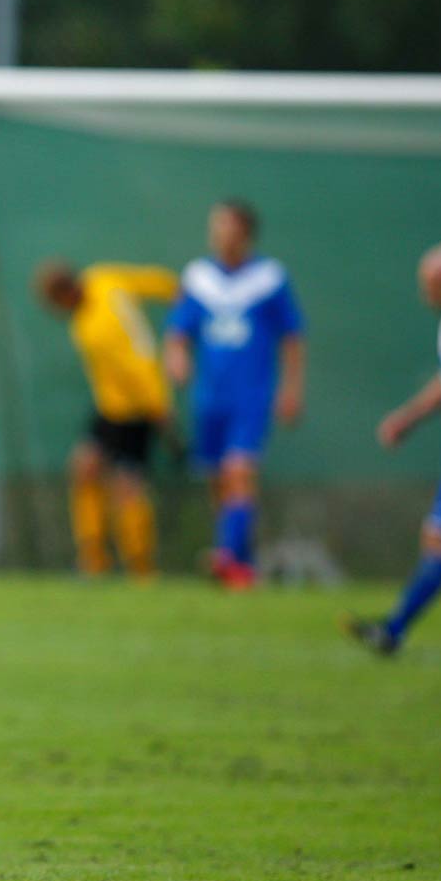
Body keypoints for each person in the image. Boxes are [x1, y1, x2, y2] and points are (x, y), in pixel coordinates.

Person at [344, 242, 441, 655]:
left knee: (439, 533)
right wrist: (407, 419)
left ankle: (393, 631)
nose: (425, 293)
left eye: (432, 284)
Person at [163, 199, 305, 590]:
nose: (217, 233)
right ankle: (241, 566)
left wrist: (291, 389)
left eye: (225, 225)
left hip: (252, 394)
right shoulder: (199, 277)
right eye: (214, 225)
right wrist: (176, 359)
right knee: (218, 483)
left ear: (244, 232)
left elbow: (292, 338)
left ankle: (227, 556)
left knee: (238, 472)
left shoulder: (269, 278)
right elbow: (178, 331)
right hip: (210, 397)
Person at [34, 259, 179, 577]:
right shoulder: (103, 279)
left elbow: (135, 363)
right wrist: (174, 290)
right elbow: (149, 281)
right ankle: (93, 559)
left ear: (64, 294)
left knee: (127, 485)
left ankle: (140, 567)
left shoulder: (94, 327)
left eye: (53, 303)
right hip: (110, 406)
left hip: (134, 408)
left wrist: (160, 408)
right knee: (84, 468)